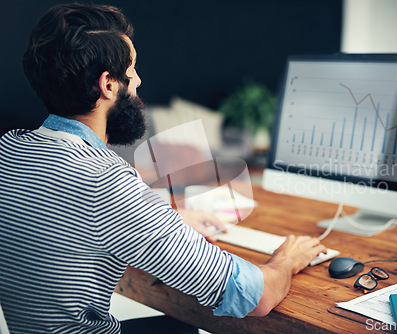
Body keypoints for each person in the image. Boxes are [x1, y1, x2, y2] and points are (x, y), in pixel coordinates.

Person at [0, 3, 326, 334]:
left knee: (176, 326)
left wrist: (160, 219)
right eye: (132, 69)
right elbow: (254, 296)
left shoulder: (9, 149)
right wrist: (287, 259)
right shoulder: (106, 181)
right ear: (108, 85)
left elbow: (72, 222)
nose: (138, 80)